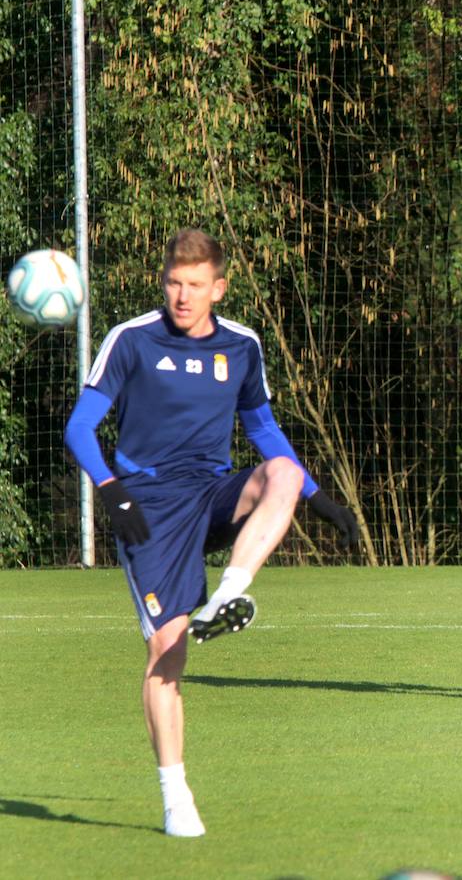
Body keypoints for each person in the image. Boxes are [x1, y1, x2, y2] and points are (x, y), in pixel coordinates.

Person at [62, 229, 360, 836]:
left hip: (213, 494)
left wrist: (319, 498)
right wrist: (111, 491)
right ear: (164, 280)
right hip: (146, 508)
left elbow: (266, 430)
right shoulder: (132, 340)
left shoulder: (242, 347)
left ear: (218, 288)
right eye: (174, 281)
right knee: (167, 651)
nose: (182, 295)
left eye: (195, 285)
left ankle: (231, 589)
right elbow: (80, 428)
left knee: (279, 471)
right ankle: (176, 796)